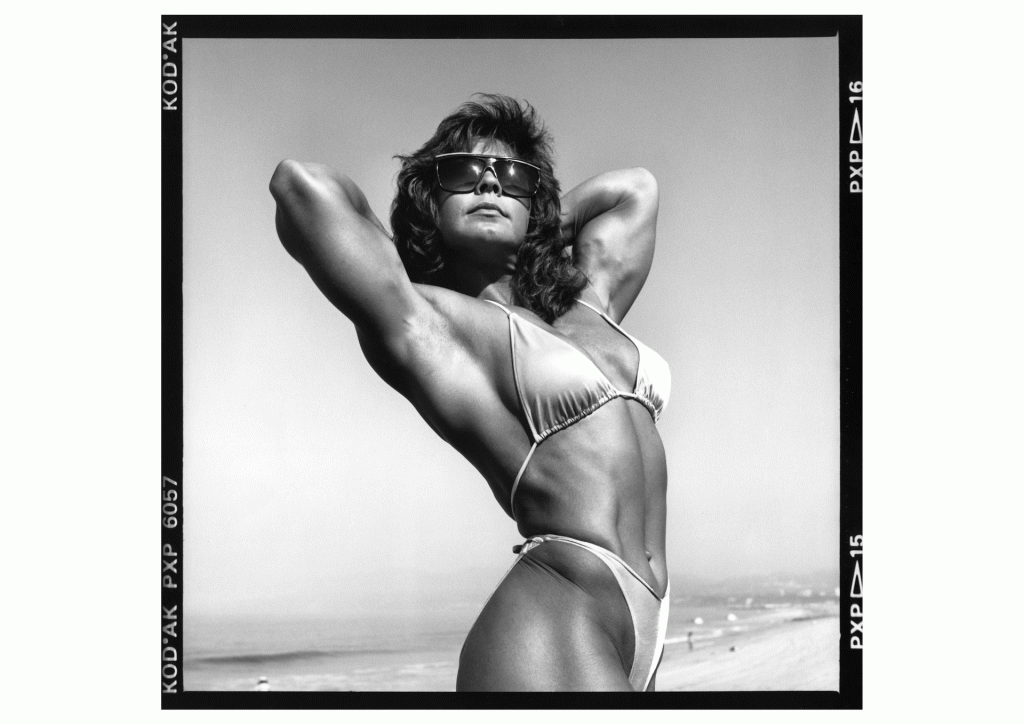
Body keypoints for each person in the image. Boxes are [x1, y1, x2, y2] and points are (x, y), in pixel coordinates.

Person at [269, 94, 670, 691]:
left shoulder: (589, 305)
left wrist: (533, 227)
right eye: (463, 172)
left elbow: (636, 191)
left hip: (644, 619)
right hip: (556, 614)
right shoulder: (430, 323)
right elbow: (300, 185)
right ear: (431, 199)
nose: (489, 181)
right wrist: (425, 235)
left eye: (511, 175)